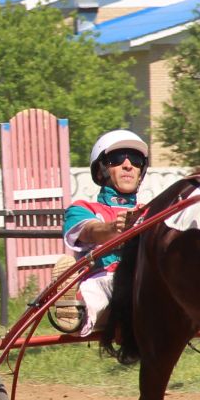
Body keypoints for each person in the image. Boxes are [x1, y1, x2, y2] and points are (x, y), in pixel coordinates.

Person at [60, 128, 151, 336]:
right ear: (101, 170)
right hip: (105, 279)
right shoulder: (83, 209)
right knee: (102, 289)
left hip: (146, 281)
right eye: (118, 159)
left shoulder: (153, 211)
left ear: (141, 171)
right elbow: (90, 231)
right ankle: (76, 313)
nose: (128, 165)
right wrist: (115, 228)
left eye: (136, 160)